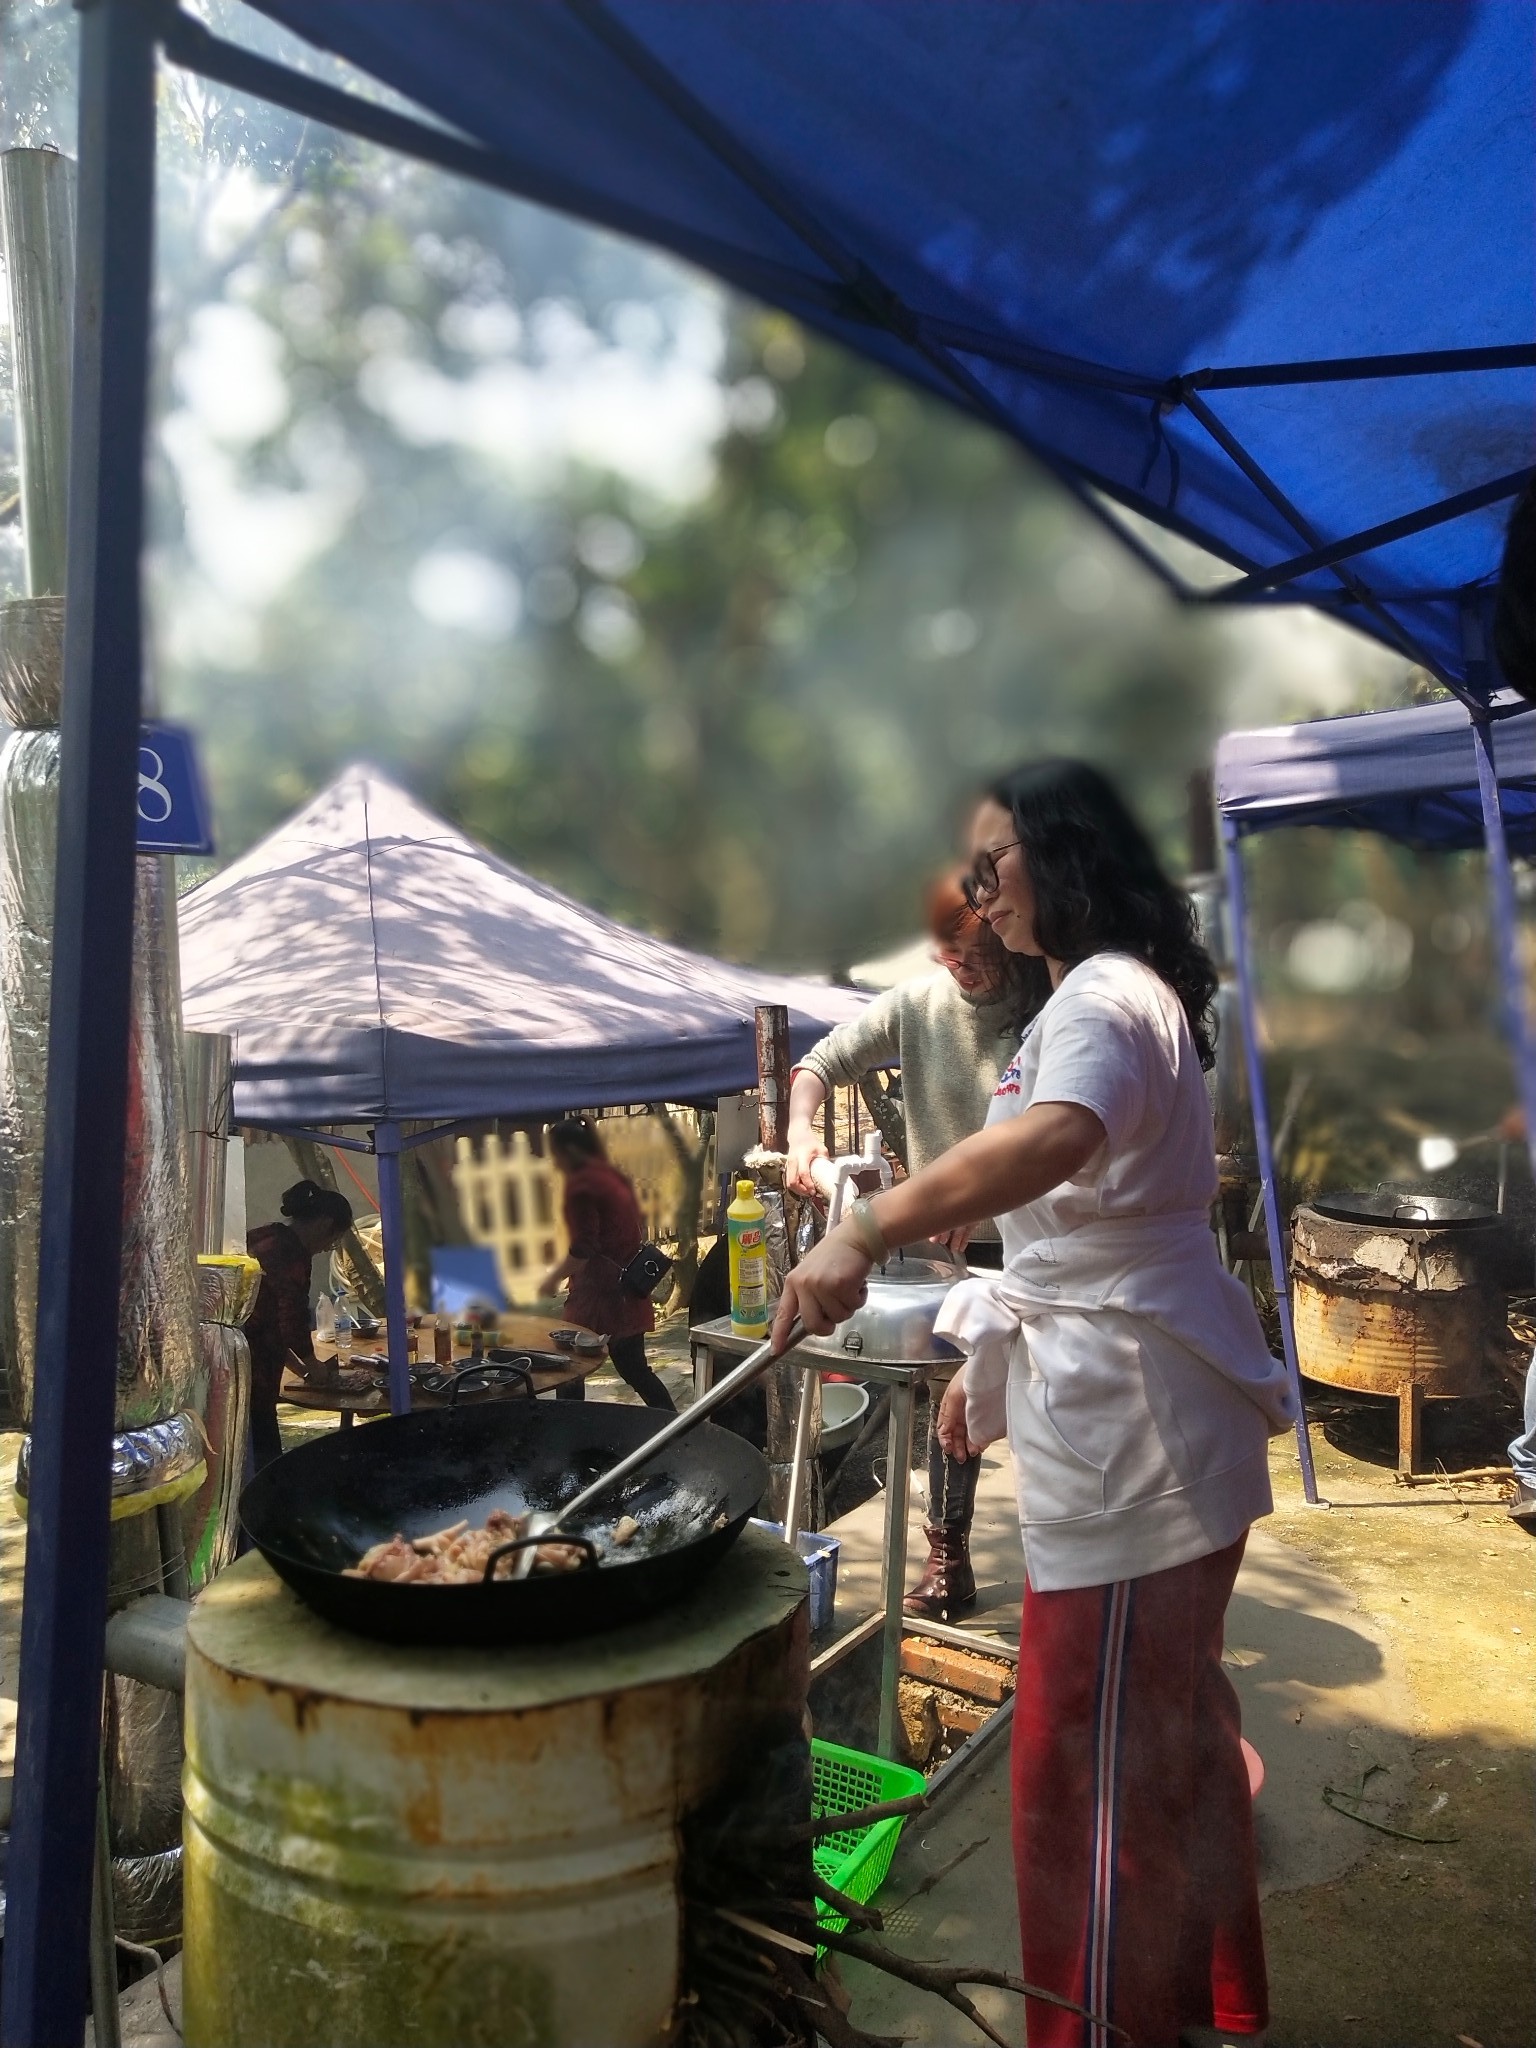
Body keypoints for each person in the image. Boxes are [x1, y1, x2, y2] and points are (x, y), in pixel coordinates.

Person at [775, 759, 1296, 2048]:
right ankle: (1208, 1998)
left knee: (1087, 1775)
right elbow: (1070, 1230)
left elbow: (1060, 1141)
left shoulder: (1106, 990)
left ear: (1064, 855)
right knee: (1173, 1732)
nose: (979, 894)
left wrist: (865, 1229)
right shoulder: (1089, 995)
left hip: (1137, 1446)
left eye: (991, 864)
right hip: (1133, 1418)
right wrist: (991, 1368)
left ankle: (1102, 2029)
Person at [785, 874, 1043, 1618]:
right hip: (947, 1260)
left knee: (1047, 1402)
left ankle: (1068, 1566)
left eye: (970, 954)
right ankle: (948, 1555)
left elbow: (1052, 1137)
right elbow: (819, 1064)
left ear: (1005, 931)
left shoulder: (1046, 1007)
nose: (956, 969)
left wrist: (984, 1194)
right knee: (950, 1406)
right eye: (943, 954)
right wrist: (801, 1132)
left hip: (1035, 1248)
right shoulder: (917, 1005)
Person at [540, 1116, 677, 1412]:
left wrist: (551, 1279)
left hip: (598, 1297)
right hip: (628, 1288)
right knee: (635, 1369)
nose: (553, 1161)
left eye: (555, 1153)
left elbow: (583, 1249)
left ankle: (570, 1430)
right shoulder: (613, 1175)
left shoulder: (582, 1187)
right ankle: (675, 1425)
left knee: (569, 1366)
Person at [245, 1178, 355, 1471]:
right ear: (325, 1224)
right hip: (251, 1362)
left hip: (249, 1351)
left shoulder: (266, 1235)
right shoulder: (289, 1254)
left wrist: (302, 1368)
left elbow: (273, 1322)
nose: (328, 1247)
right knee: (261, 1443)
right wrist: (311, 1362)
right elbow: (290, 1318)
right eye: (333, 1239)